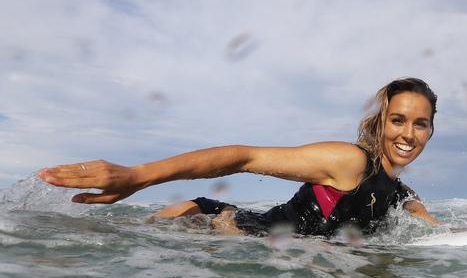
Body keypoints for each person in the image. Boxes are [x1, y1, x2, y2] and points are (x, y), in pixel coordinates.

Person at [39, 77, 440, 236]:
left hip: (257, 248)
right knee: (110, 238)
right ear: (381, 122)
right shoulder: (349, 162)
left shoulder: (400, 192)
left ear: (431, 130)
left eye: (419, 124)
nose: (407, 134)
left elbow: (433, 230)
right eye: (398, 120)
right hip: (222, 226)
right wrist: (136, 176)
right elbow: (243, 157)